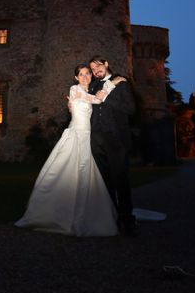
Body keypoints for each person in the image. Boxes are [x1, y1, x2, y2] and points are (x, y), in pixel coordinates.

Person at [15, 64, 125, 236]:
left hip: (87, 137)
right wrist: (113, 82)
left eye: (87, 73)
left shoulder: (90, 90)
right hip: (76, 135)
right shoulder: (74, 89)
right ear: (76, 77)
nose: (85, 76)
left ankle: (87, 213)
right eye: (81, 74)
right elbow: (96, 100)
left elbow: (96, 102)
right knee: (66, 172)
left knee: (86, 175)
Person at [89, 56, 137, 236]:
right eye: (93, 69)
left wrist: (106, 98)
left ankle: (127, 219)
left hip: (116, 139)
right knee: (104, 182)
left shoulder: (121, 84)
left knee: (121, 181)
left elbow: (131, 109)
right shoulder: (93, 86)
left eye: (98, 67)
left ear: (106, 64)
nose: (95, 71)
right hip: (97, 140)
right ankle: (112, 217)